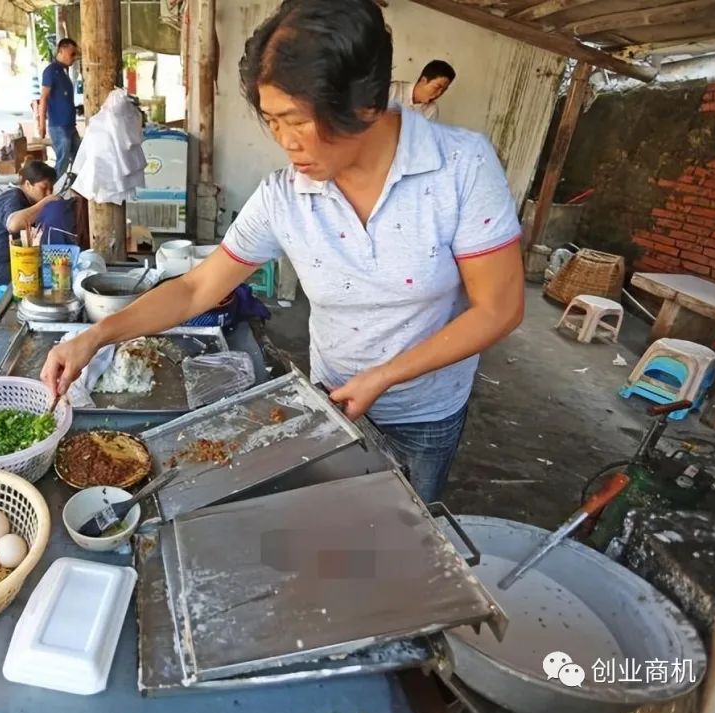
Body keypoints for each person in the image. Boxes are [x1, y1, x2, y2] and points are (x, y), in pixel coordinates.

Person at [40, 0, 523, 503]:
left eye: (296, 120)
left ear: (363, 103)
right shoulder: (286, 194)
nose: (284, 143)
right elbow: (194, 288)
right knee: (333, 517)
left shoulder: (459, 167)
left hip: (424, 411)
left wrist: (385, 376)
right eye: (272, 121)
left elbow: (500, 307)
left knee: (406, 531)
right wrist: (95, 336)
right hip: (333, 396)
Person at [0, 160, 58, 286]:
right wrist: (45, 202)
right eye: (44, 188)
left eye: (51, 189)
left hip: (17, 259)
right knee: (54, 276)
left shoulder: (29, 201)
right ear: (27, 184)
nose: (48, 193)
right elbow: (14, 225)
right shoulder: (13, 198)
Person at [38, 38, 81, 177]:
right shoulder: (50, 71)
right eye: (72, 54)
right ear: (61, 50)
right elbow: (43, 97)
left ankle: (74, 191)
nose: (74, 58)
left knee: (79, 159)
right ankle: (53, 192)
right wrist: (41, 124)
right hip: (58, 126)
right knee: (62, 162)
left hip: (70, 125)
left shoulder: (64, 72)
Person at [388, 59, 455, 121]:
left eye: (443, 90)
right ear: (423, 80)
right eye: (437, 87)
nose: (439, 93)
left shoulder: (431, 110)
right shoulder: (393, 90)